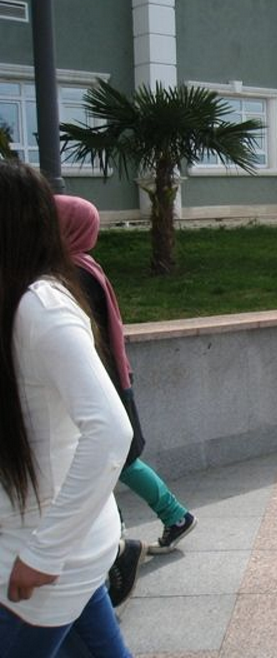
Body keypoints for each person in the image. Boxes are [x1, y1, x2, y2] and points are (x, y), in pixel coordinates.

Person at [0, 162, 134, 657]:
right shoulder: (19, 300)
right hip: (56, 546)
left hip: (38, 558)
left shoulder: (40, 307)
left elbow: (110, 431)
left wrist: (44, 552)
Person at [55, 195, 197, 556]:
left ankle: (143, 529)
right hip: (109, 378)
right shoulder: (85, 267)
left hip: (99, 380)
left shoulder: (74, 274)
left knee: (116, 460)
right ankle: (152, 524)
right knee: (115, 459)